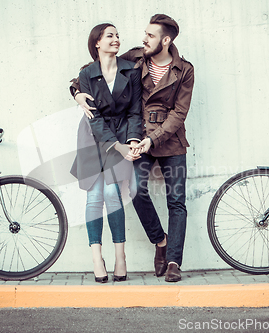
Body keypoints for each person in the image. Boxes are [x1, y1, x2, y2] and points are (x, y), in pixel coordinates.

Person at [71, 14, 194, 282]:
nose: (143, 38)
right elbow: (94, 69)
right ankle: (160, 241)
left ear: (165, 40)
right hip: (136, 139)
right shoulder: (136, 58)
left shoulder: (184, 69)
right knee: (136, 191)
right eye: (145, 34)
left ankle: (173, 260)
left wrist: (152, 138)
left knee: (176, 200)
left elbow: (179, 112)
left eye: (150, 35)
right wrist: (76, 91)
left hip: (169, 140)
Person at [70, 23, 143, 283]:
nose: (116, 39)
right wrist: (77, 93)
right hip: (92, 135)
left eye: (117, 35)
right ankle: (96, 257)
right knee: (94, 195)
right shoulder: (87, 73)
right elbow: (95, 117)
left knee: (113, 192)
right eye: (109, 36)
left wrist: (132, 140)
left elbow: (135, 110)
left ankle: (120, 257)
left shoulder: (130, 70)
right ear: (97, 43)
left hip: (123, 132)